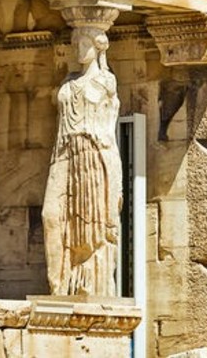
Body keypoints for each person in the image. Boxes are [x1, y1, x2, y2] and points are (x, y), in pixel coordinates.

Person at [43, 25, 122, 297]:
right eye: (75, 43)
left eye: (84, 43)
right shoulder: (68, 82)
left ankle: (88, 285)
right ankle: (59, 284)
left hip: (93, 154)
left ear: (98, 46)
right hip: (64, 152)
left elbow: (109, 129)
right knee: (51, 216)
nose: (78, 49)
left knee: (92, 227)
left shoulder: (106, 83)